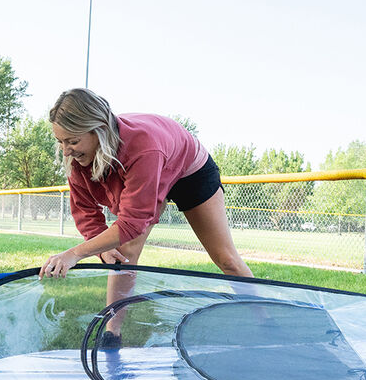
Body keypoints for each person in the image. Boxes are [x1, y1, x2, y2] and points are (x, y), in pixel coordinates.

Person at [39, 88, 253, 343]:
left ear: (99, 130)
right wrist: (102, 250)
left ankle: (266, 317)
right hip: (147, 159)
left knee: (226, 259)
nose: (65, 151)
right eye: (60, 141)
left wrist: (75, 253)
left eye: (72, 141)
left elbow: (131, 223)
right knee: (123, 254)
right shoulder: (77, 163)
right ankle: (111, 335)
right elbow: (86, 213)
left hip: (188, 170)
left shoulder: (143, 147)